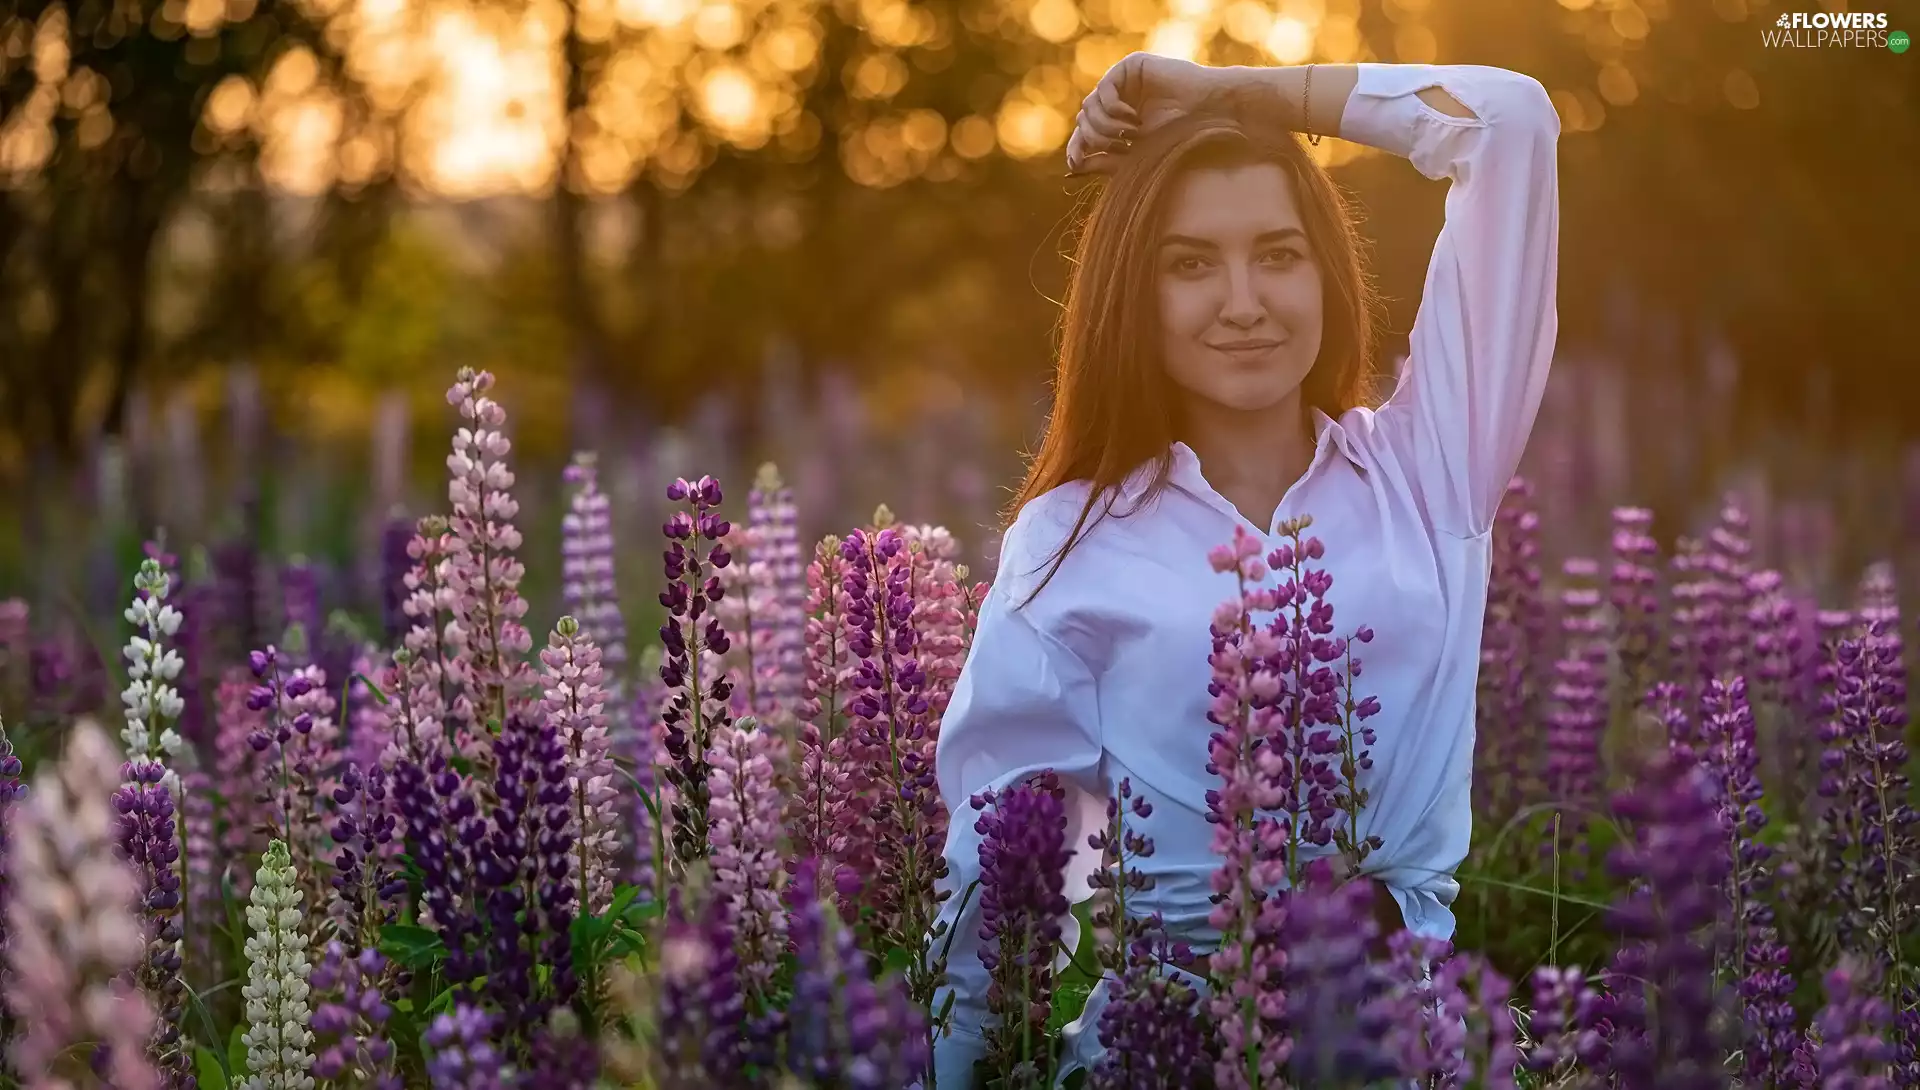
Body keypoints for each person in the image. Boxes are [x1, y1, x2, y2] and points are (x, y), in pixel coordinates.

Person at [924, 52, 1561, 1088]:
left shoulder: (1432, 471)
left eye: (1278, 254)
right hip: (1165, 1049)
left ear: (1325, 273)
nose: (1244, 301)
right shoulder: (1070, 534)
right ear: (1134, 292)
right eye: (1190, 264)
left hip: (1398, 1043)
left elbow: (1510, 121)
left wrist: (1248, 94)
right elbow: (995, 866)